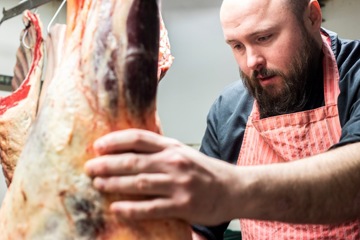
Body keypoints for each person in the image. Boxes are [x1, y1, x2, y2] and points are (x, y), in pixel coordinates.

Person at [84, 0, 360, 239]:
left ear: (312, 16)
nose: (252, 61)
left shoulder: (354, 73)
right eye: (237, 45)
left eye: (264, 37)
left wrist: (229, 189)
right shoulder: (229, 109)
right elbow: (202, 230)